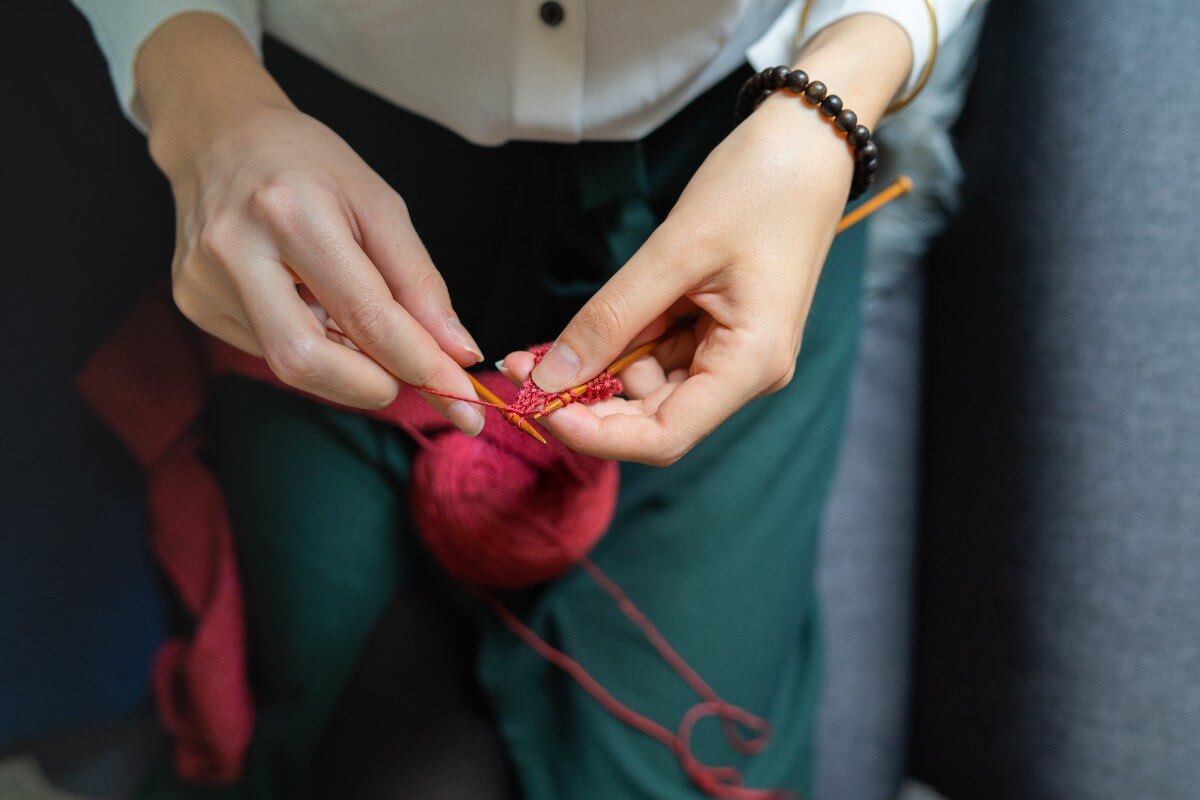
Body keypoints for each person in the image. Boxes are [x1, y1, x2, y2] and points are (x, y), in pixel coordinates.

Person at [70, 1, 977, 798]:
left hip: (740, 161)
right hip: (318, 170)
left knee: (679, 774)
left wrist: (838, 90)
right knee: (349, 744)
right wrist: (206, 104)